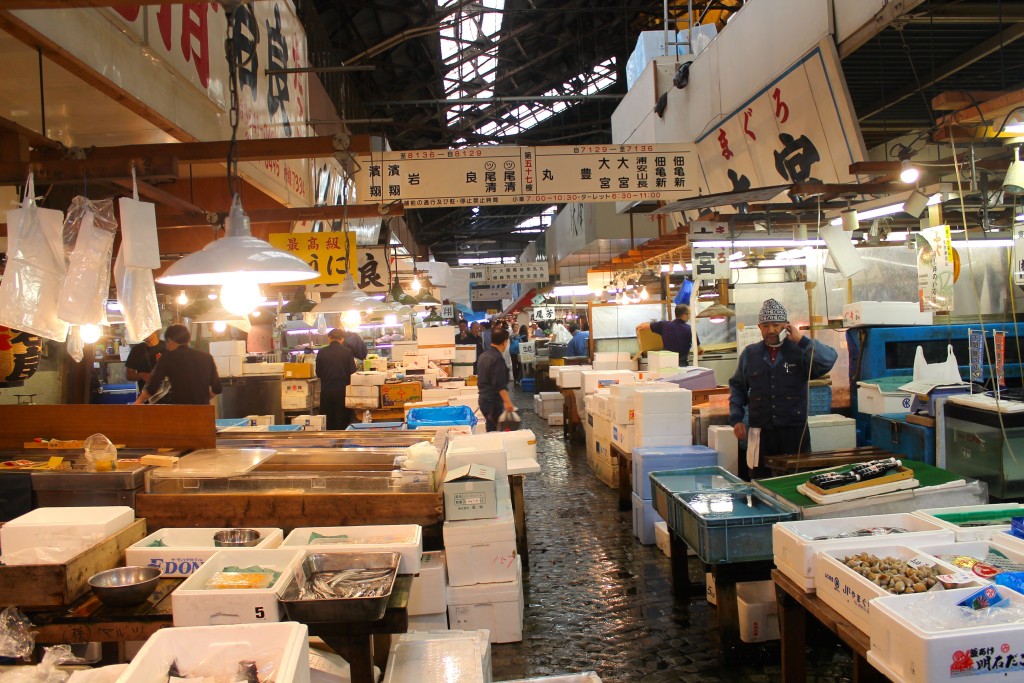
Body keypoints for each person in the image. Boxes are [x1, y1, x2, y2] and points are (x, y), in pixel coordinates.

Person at [728, 299, 838, 480]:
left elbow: (828, 359)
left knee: (795, 482)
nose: (771, 330)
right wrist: (736, 417)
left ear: (786, 326)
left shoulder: (800, 351)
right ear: (759, 327)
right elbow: (738, 387)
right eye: (765, 325)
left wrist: (802, 340)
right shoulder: (750, 354)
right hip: (760, 433)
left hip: (794, 433)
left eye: (776, 325)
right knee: (760, 483)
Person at [134, 325, 221, 405]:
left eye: (167, 343)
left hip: (180, 412)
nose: (167, 347)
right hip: (203, 412)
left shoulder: (167, 358)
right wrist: (203, 399)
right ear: (188, 339)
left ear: (170, 340)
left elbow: (153, 386)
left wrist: (138, 402)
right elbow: (217, 389)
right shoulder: (206, 357)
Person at [316, 328, 359, 430]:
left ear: (329, 338)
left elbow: (318, 373)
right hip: (342, 392)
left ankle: (330, 442)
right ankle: (342, 443)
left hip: (326, 391)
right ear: (342, 339)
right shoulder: (347, 352)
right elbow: (352, 372)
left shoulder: (321, 352)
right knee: (342, 419)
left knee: (328, 420)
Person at [477, 328, 516, 432]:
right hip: (492, 402)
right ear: (504, 342)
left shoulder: (483, 356)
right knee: (496, 431)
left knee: (491, 427)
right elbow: (499, 384)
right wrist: (508, 402)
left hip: (483, 400)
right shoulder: (497, 358)